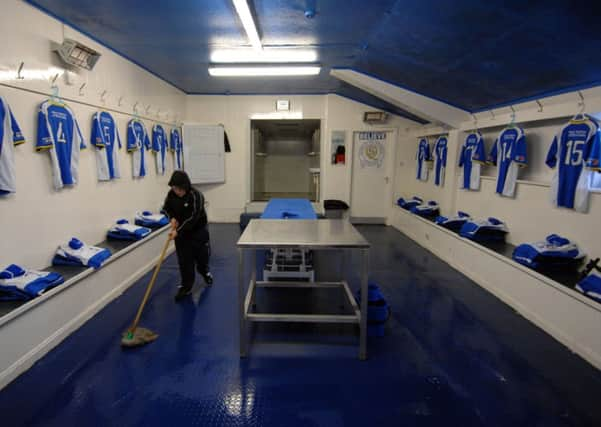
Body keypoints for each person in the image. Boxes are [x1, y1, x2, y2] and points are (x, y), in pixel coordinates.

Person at [162, 170, 213, 301]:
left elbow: (193, 218)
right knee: (185, 262)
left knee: (201, 260)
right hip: (182, 236)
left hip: (198, 232)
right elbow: (166, 208)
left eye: (179, 189)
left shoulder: (196, 196)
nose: (176, 192)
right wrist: (172, 217)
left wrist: (177, 231)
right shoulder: (171, 194)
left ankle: (205, 272)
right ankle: (186, 287)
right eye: (174, 188)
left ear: (185, 186)